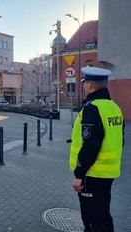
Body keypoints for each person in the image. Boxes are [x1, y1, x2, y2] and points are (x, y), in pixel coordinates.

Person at [69, 66, 124, 232]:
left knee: (92, 219)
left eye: (85, 83)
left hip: (92, 173)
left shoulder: (92, 108)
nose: (84, 86)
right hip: (109, 173)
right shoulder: (114, 107)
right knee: (103, 214)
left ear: (91, 84)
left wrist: (79, 175)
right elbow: (121, 140)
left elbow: (90, 145)